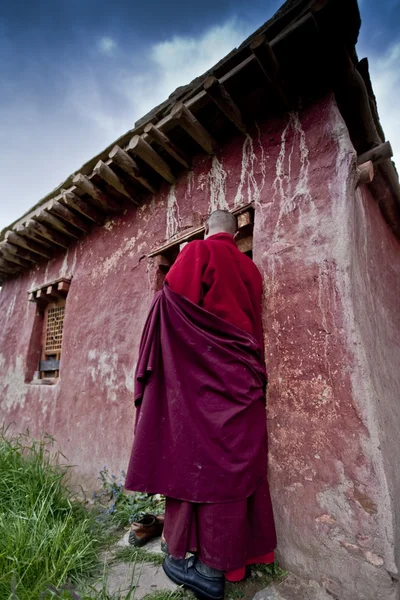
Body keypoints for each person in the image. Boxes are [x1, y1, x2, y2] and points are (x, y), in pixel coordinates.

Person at [125, 210, 276, 600]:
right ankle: (222, 564)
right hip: (242, 380)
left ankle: (200, 568)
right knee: (231, 472)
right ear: (238, 230)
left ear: (207, 230)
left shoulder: (196, 253)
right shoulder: (252, 270)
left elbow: (173, 311)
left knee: (196, 467)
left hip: (204, 386)